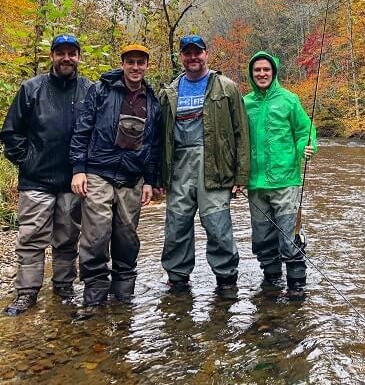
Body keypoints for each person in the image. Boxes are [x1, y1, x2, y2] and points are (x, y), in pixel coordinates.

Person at [0, 34, 92, 315]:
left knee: (67, 238)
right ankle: (27, 293)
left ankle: (63, 288)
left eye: (72, 53)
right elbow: (11, 132)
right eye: (61, 53)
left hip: (72, 182)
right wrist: (27, 161)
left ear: (78, 56)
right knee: (31, 239)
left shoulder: (89, 89)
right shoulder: (32, 88)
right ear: (52, 55)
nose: (67, 58)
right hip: (37, 180)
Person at [70, 43, 161, 307]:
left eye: (140, 63)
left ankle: (123, 296)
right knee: (96, 235)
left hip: (132, 178)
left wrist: (150, 181)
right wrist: (78, 170)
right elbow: (81, 131)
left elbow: (153, 145)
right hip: (98, 172)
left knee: (126, 236)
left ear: (146, 66)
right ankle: (95, 292)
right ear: (122, 64)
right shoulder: (100, 91)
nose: (135, 67)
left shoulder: (152, 100)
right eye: (130, 62)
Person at [159, 34, 249, 297]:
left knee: (218, 227)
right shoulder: (169, 91)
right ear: (181, 57)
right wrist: (158, 177)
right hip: (178, 169)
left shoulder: (227, 87)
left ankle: (226, 279)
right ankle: (177, 279)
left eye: (197, 52)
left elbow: (241, 133)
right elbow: (160, 138)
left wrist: (240, 174)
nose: (193, 57)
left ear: (206, 54)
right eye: (187, 53)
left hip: (216, 168)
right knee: (176, 227)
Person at [243, 51, 316, 294]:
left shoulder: (289, 100)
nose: (261, 74)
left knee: (288, 235)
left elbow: (304, 130)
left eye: (266, 70)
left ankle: (296, 284)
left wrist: (305, 147)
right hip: (255, 183)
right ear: (251, 75)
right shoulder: (245, 103)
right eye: (257, 70)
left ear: (273, 72)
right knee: (262, 237)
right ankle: (272, 281)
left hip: (286, 180)